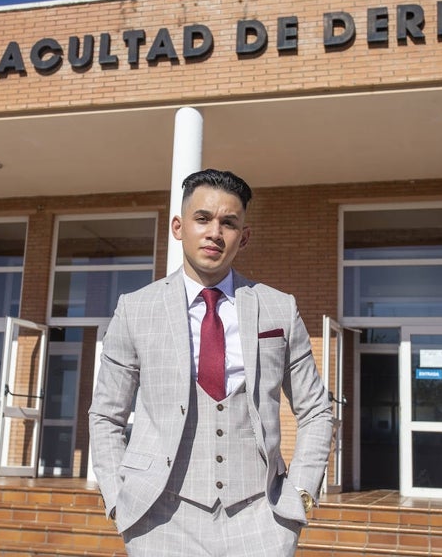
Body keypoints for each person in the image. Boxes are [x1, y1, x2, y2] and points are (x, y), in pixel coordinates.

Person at [88, 168, 333, 556]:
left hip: (261, 521)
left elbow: (317, 410)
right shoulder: (135, 309)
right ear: (178, 226)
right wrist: (119, 498)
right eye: (202, 219)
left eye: (228, 223)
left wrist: (299, 495)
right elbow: (106, 414)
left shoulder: (278, 308)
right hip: (158, 520)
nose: (214, 233)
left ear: (244, 236)